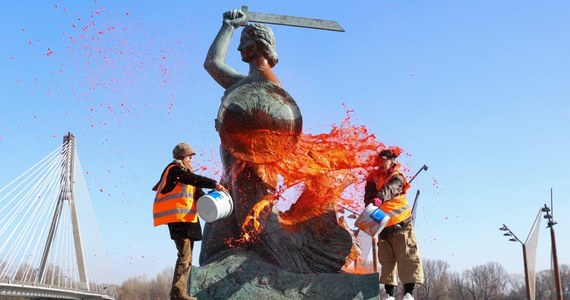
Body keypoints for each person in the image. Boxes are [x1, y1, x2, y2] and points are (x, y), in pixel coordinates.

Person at [152, 143, 227, 300]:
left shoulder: (184, 172)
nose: (192, 158)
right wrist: (214, 183)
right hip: (178, 219)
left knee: (187, 257)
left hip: (186, 220)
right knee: (184, 256)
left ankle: (179, 292)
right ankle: (178, 293)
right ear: (181, 156)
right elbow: (191, 179)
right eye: (189, 156)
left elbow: (198, 193)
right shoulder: (174, 170)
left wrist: (215, 196)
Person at [363, 148, 424, 300]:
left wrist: (378, 198)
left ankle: (408, 294)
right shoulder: (374, 177)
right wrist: (369, 203)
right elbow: (368, 195)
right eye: (380, 161)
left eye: (384, 161)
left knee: (407, 258)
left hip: (401, 225)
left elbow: (390, 189)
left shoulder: (397, 177)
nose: (381, 164)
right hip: (383, 227)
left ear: (391, 161)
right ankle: (389, 295)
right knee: (387, 261)